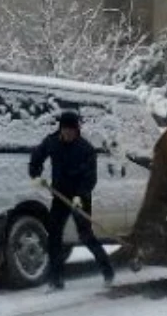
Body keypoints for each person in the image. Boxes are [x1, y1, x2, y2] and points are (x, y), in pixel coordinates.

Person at [29, 111, 115, 290]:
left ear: (77, 131)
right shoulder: (51, 142)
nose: (68, 134)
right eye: (65, 130)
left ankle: (107, 270)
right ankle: (56, 279)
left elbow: (90, 177)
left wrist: (80, 195)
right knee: (54, 235)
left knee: (86, 235)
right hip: (59, 195)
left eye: (72, 131)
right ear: (60, 129)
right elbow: (36, 157)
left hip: (79, 197)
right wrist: (35, 174)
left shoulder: (86, 149)